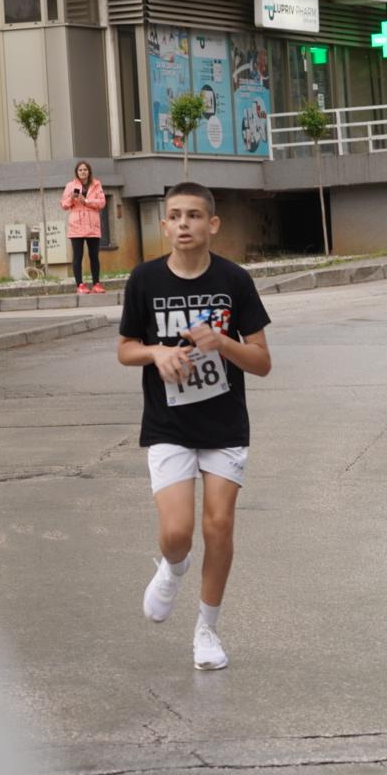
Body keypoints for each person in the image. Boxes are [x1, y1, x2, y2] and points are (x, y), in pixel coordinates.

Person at [119, 182, 271, 672]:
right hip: (168, 424)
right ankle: (172, 566)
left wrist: (222, 343)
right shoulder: (144, 281)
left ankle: (207, 629)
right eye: (175, 216)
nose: (184, 224)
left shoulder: (235, 281)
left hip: (225, 425)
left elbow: (262, 362)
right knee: (179, 532)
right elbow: (125, 349)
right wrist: (156, 352)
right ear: (164, 224)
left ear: (213, 224)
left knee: (220, 526)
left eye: (194, 216)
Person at [61, 161, 108, 294]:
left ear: (89, 171)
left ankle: (96, 284)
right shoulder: (70, 186)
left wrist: (86, 201)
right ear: (77, 172)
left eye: (85, 169)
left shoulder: (96, 184)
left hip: (92, 224)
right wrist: (72, 198)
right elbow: (64, 205)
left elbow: (102, 203)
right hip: (77, 225)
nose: (83, 172)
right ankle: (80, 285)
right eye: (80, 170)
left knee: (94, 255)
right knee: (78, 256)